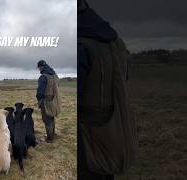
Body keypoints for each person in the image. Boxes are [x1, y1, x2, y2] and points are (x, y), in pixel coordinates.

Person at [79, 1, 137, 180]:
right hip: (111, 132)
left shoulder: (81, 44)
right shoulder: (115, 41)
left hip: (86, 140)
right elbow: (123, 80)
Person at [36, 60, 61, 143]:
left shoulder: (43, 77)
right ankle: (52, 135)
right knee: (52, 117)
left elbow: (40, 92)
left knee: (47, 119)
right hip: (55, 100)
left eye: (39, 68)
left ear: (41, 67)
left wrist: (39, 100)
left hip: (46, 101)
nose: (39, 70)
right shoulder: (55, 75)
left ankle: (50, 139)